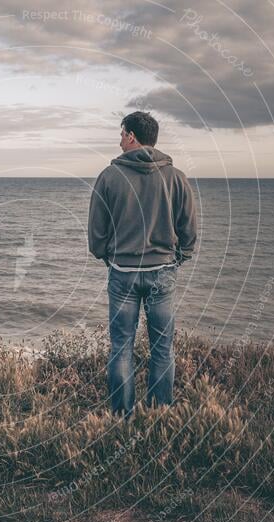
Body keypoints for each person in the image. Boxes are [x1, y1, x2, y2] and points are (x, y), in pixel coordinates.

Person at [87, 111, 198, 417]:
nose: (119, 140)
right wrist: (179, 257)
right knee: (162, 347)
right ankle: (160, 413)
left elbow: (96, 232)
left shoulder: (109, 177)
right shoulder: (176, 178)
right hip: (162, 274)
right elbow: (189, 228)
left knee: (121, 347)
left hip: (123, 273)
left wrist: (107, 255)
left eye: (122, 134)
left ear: (132, 136)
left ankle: (122, 416)